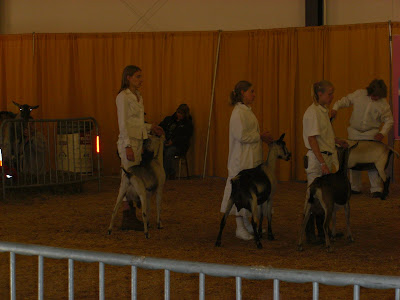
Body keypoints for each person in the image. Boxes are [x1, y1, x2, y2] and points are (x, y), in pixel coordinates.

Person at [220, 80, 273, 241]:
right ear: (242, 93)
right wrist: (260, 136)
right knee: (239, 193)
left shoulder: (247, 111)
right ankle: (239, 228)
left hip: (250, 159)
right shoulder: (238, 113)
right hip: (241, 160)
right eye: (252, 91)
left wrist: (261, 137)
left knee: (250, 192)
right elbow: (241, 136)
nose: (254, 95)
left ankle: (247, 223)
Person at [116, 65, 163, 230]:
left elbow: (136, 122)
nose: (141, 80)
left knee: (135, 179)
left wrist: (150, 127)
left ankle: (131, 214)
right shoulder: (123, 97)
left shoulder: (138, 96)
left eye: (141, 77)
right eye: (137, 76)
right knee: (128, 179)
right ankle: (126, 214)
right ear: (128, 77)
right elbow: (123, 124)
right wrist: (127, 145)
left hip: (137, 141)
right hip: (128, 142)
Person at [331, 79, 394, 198]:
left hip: (371, 135)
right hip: (354, 133)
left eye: (378, 96)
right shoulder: (359, 94)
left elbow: (389, 120)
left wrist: (382, 133)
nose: (376, 98)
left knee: (373, 162)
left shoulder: (384, 104)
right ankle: (354, 187)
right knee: (352, 160)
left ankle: (376, 189)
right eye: (374, 95)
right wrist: (335, 107)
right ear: (369, 91)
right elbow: (346, 100)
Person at [303, 80, 348, 243]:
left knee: (325, 197)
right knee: (313, 197)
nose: (332, 96)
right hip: (317, 159)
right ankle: (310, 235)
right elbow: (312, 139)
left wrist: (335, 141)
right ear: (319, 94)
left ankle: (323, 232)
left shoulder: (322, 111)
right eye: (329, 93)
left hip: (324, 156)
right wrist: (322, 163)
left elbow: (322, 136)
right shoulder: (313, 112)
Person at [159, 104, 193, 179]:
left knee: (169, 152)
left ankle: (166, 173)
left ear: (185, 114)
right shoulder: (169, 120)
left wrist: (173, 141)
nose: (179, 115)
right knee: (159, 150)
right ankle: (162, 172)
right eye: (178, 112)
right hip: (166, 141)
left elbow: (185, 137)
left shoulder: (188, 124)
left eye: (181, 114)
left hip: (179, 145)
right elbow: (160, 127)